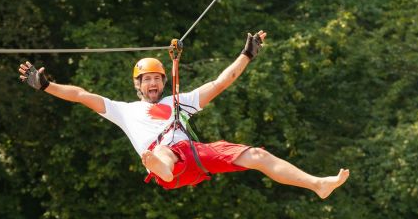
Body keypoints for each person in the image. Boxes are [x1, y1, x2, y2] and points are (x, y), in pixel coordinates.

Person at [18, 31, 349, 197]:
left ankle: (317, 184)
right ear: (137, 85)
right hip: (167, 161)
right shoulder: (124, 110)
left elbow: (222, 81)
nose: (152, 83)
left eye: (157, 79)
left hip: (196, 156)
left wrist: (247, 55)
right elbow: (81, 96)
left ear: (163, 82)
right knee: (161, 151)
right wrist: (48, 86)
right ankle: (160, 166)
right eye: (146, 80)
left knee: (258, 155)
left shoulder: (182, 101)